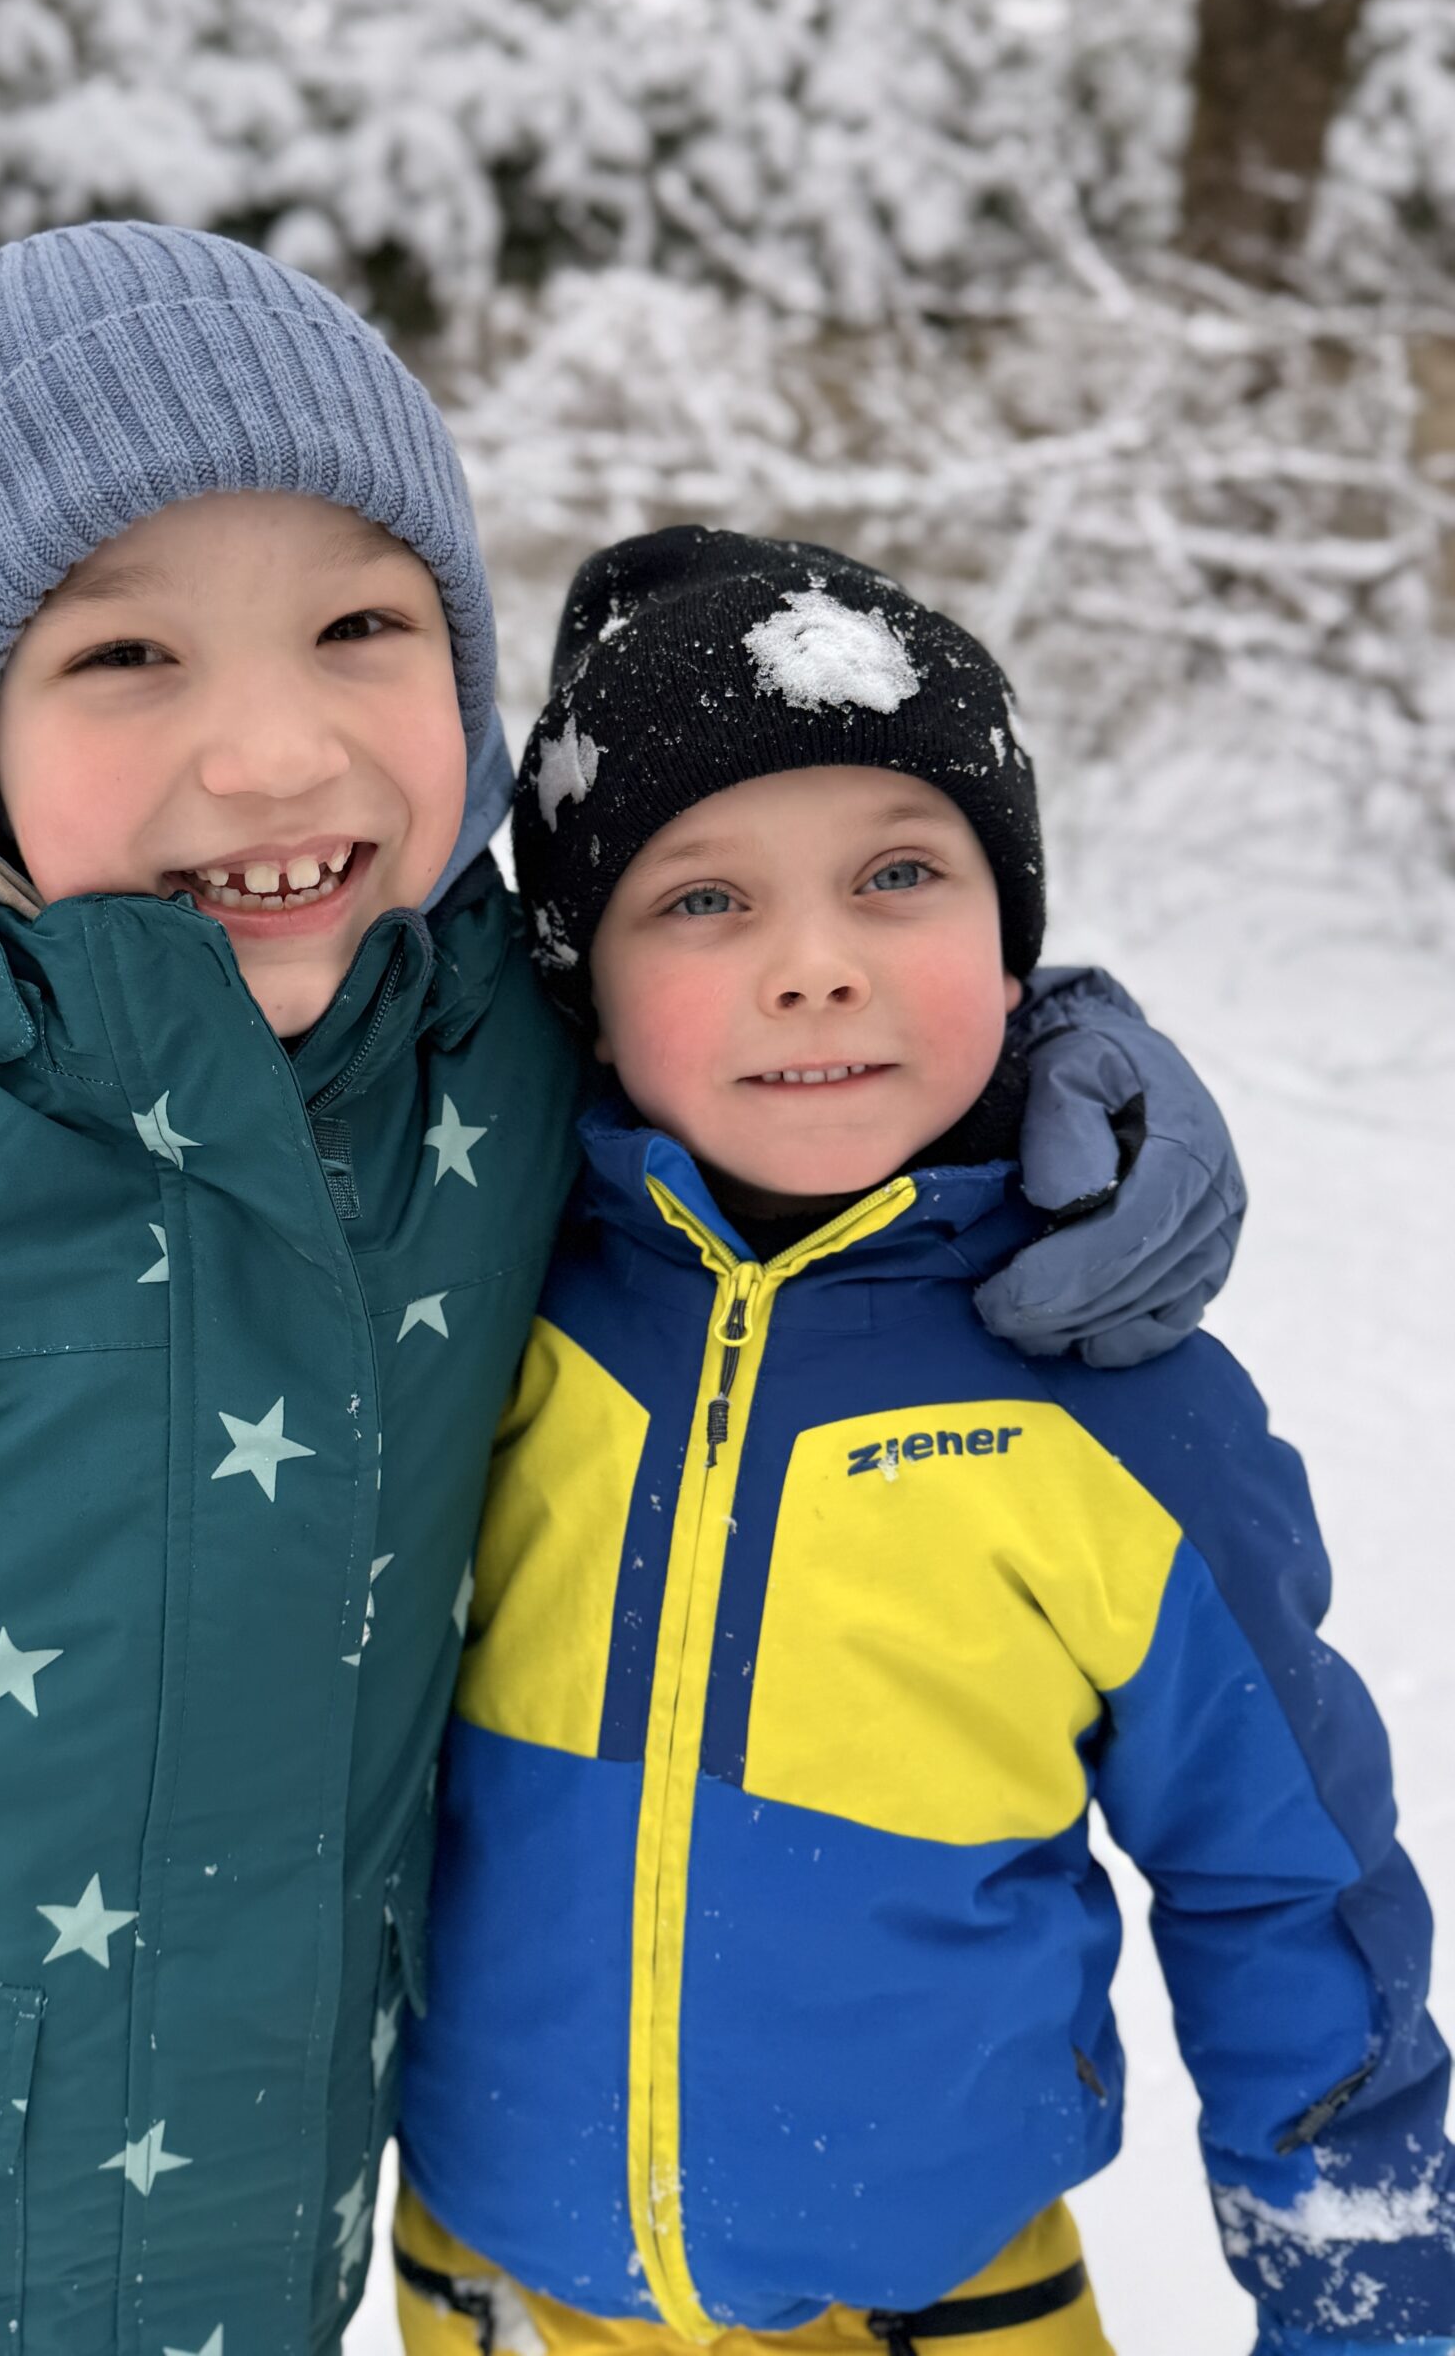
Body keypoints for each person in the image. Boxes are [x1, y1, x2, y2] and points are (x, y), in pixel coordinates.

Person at [0, 230, 1239, 2356]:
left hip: (251, 2279)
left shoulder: (488, 1052)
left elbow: (769, 992)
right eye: (126, 653)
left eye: (359, 624)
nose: (272, 752)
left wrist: (1066, 1068)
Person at [394, 526, 1454, 2356]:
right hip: (495, 2284)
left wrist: (1367, 2297)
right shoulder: (476, 1300)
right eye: (702, 900)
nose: (815, 965)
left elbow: (1285, 1881)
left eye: (899, 873)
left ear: (1015, 944)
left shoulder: (1117, 1402)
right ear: (585, 993)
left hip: (940, 2306)